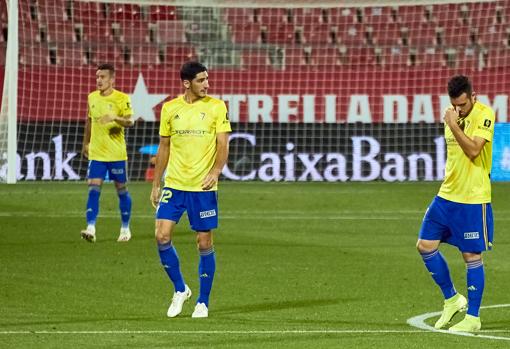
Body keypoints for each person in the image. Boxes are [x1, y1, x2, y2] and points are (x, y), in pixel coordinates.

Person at [150, 62, 231, 318]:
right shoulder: (170, 108)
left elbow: (222, 143)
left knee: (203, 241)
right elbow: (164, 147)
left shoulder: (217, 107)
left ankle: (203, 301)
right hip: (174, 185)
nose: (207, 84)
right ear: (186, 83)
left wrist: (216, 171)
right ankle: (180, 289)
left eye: (207, 79)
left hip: (202, 188)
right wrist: (156, 182)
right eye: (200, 80)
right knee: (161, 236)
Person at [416, 75, 495, 332]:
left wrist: (454, 124)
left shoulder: (485, 114)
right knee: (425, 245)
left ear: (473, 96)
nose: (459, 109)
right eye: (455, 105)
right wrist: (453, 120)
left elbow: (473, 151)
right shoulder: (453, 115)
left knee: (471, 255)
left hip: (472, 199)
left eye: (463, 104)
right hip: (446, 195)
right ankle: (452, 299)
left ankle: (472, 318)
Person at [81, 63, 134, 243]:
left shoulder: (122, 98)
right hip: (97, 153)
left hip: (116, 154)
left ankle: (125, 228)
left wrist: (115, 118)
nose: (99, 80)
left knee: (121, 190)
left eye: (102, 77)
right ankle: (90, 228)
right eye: (97, 77)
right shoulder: (92, 97)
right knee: (93, 189)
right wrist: (86, 142)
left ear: (112, 79)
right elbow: (89, 121)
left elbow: (130, 122)